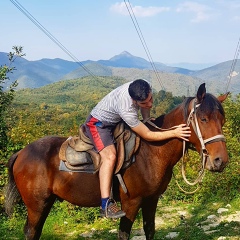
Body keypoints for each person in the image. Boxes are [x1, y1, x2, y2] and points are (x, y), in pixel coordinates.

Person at [84, 79, 191, 218]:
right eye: (143, 104)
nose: (150, 104)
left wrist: (146, 118)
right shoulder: (126, 108)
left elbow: (146, 106)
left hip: (116, 120)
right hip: (99, 124)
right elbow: (148, 135)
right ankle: (105, 204)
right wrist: (174, 132)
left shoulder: (143, 85)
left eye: (150, 99)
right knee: (109, 157)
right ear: (134, 101)